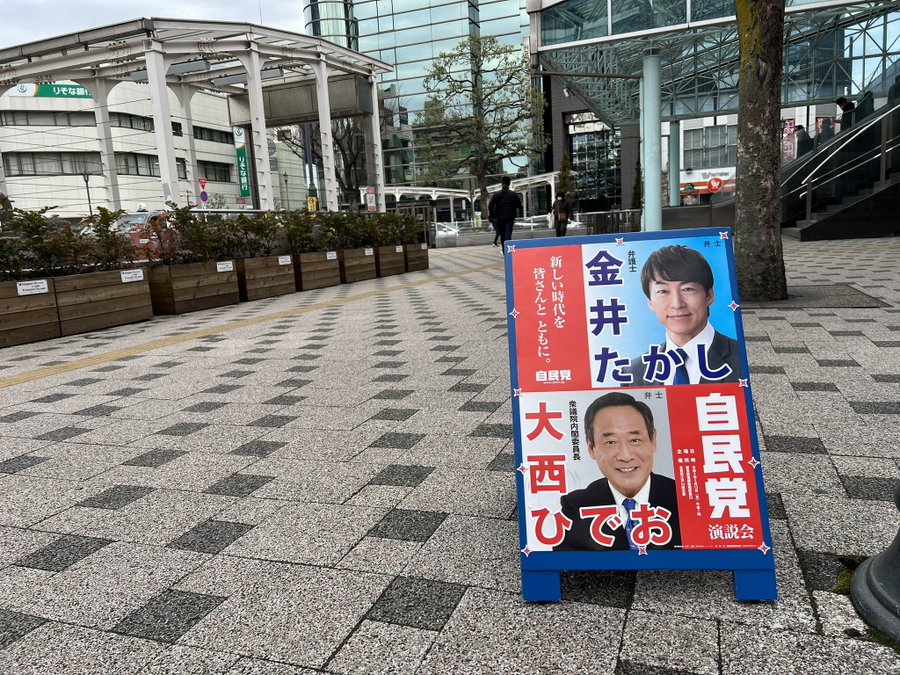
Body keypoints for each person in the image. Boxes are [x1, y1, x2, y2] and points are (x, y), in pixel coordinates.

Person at [553, 392, 681, 552]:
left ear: (653, 440)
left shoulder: (683, 499)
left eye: (635, 440)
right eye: (610, 442)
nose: (625, 456)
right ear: (591, 448)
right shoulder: (576, 506)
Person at [627, 245, 741, 386]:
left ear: (709, 296)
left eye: (687, 289)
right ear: (650, 302)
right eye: (663, 291)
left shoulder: (741, 358)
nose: (677, 304)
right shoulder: (633, 373)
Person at [488, 176, 522, 250]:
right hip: (510, 217)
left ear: (501, 183)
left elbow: (490, 206)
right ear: (509, 183)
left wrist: (493, 215)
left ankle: (504, 251)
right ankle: (508, 250)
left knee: (502, 235)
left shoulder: (496, 194)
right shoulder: (513, 194)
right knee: (508, 234)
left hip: (499, 218)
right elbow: (519, 205)